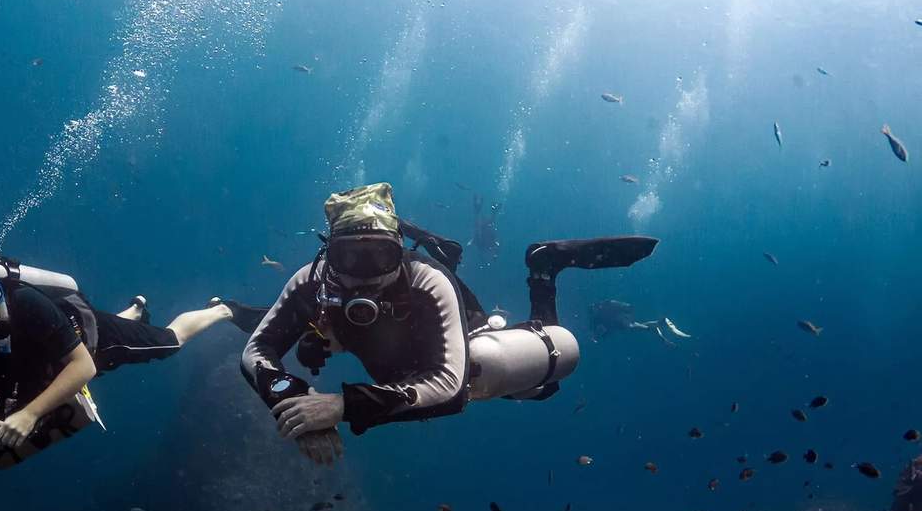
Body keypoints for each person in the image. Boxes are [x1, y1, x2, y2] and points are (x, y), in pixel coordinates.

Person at [237, 183, 658, 464]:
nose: (365, 273)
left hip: (463, 354)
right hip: (396, 373)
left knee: (527, 377)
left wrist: (339, 407)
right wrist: (293, 403)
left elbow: (449, 389)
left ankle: (544, 268)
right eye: (350, 257)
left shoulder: (426, 278)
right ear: (329, 255)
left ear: (399, 252)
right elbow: (256, 352)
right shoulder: (311, 280)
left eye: (380, 257)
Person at [0, 226, 252, 491]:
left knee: (169, 342)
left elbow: (83, 366)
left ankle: (222, 310)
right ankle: (133, 311)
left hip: (86, 344)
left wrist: (29, 414)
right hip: (38, 367)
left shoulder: (26, 302)